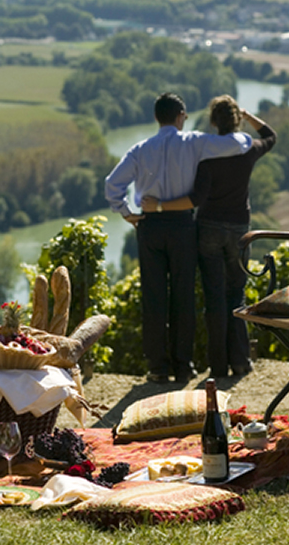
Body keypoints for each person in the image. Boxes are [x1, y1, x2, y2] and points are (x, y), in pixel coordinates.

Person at [105, 92, 253, 384]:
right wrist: (246, 126)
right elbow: (240, 143)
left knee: (153, 296)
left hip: (149, 225)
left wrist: (126, 212)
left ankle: (158, 367)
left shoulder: (139, 149)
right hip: (182, 226)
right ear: (181, 116)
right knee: (183, 296)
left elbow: (113, 184)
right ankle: (183, 366)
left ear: (156, 117)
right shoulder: (194, 142)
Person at [141, 96, 276, 378]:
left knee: (213, 295)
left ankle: (217, 365)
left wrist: (160, 206)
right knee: (236, 293)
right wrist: (248, 116)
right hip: (238, 229)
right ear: (236, 120)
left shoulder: (205, 155)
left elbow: (197, 197)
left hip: (208, 229)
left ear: (213, 122)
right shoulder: (249, 149)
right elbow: (270, 136)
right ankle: (240, 360)